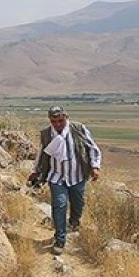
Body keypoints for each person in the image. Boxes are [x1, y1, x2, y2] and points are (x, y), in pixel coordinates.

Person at [28, 105, 102, 255]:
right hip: (57, 176)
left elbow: (92, 148)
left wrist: (95, 166)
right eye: (53, 121)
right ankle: (60, 238)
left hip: (77, 175)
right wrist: (35, 171)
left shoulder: (78, 129)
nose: (57, 124)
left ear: (66, 118)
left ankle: (74, 222)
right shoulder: (47, 134)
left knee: (78, 202)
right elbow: (41, 153)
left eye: (60, 121)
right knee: (59, 205)